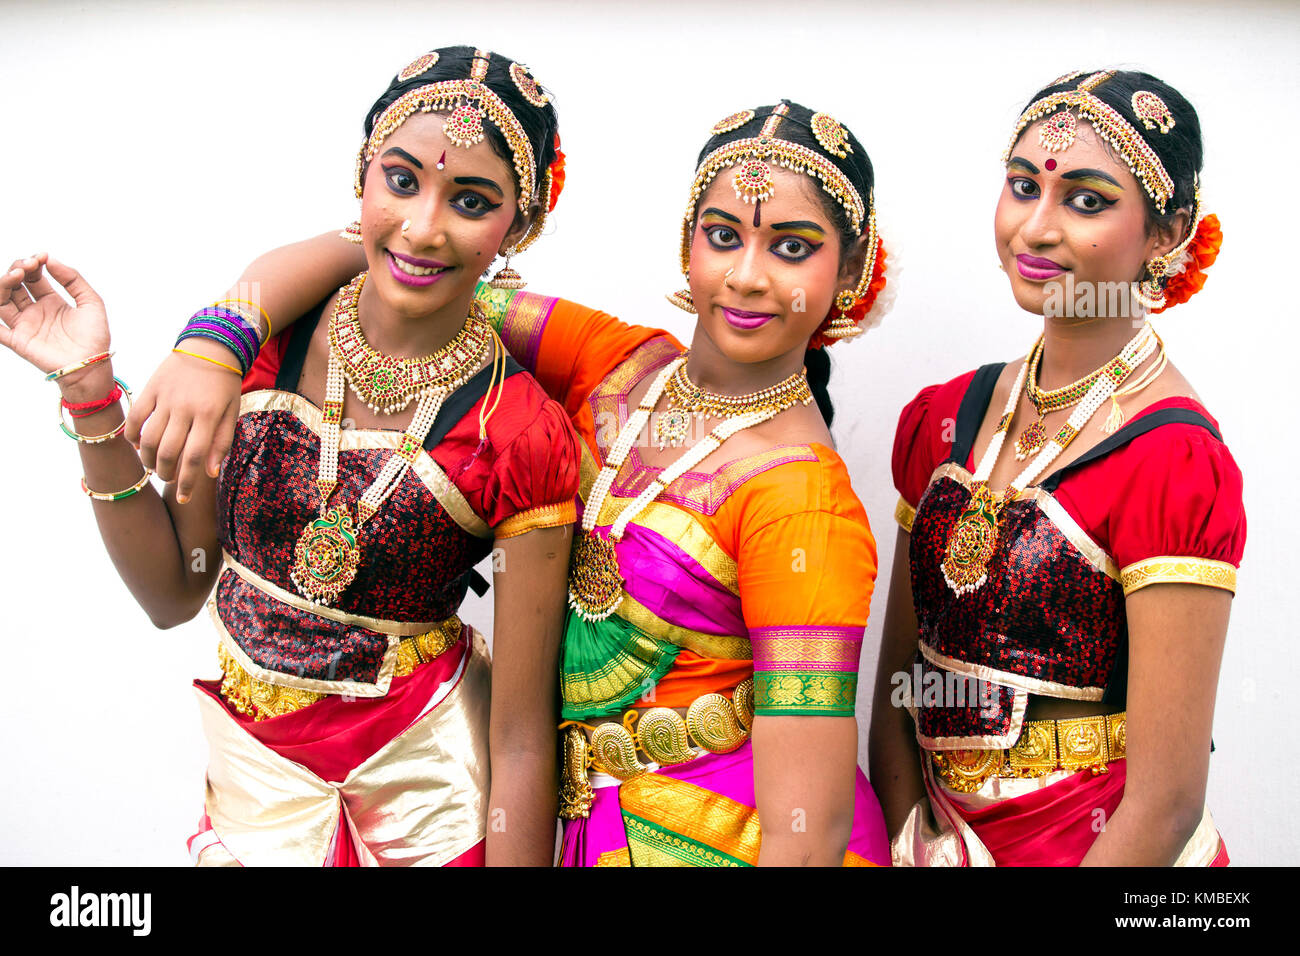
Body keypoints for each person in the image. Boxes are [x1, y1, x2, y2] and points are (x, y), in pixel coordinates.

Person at [126, 99, 896, 866]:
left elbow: (810, 831)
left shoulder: (806, 505)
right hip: (594, 827)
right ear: (686, 242)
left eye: (792, 249)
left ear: (852, 271)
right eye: (723, 237)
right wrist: (217, 341)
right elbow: (404, 263)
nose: (747, 277)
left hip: (725, 841)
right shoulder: (621, 364)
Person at [0, 45, 581, 866]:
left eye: (472, 199)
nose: (422, 227)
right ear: (362, 175)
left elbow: (522, 738)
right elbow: (176, 589)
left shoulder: (519, 433)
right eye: (403, 180)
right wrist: (90, 389)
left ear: (518, 225)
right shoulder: (256, 351)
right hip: (257, 793)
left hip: (431, 804)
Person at [870, 69, 1243, 866]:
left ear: (1169, 232)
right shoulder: (945, 420)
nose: (1035, 229)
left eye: (1086, 199)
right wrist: (913, 842)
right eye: (1020, 186)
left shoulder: (1172, 458)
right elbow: (900, 689)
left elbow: (1168, 804)